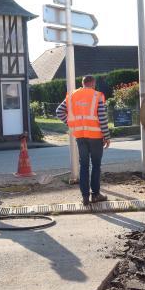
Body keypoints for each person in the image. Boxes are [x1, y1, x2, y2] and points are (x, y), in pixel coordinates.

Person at [56, 75, 111, 206]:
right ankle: (96, 195)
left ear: (82, 83)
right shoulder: (97, 96)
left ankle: (85, 197)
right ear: (93, 84)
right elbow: (102, 118)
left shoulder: (72, 95)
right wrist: (107, 137)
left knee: (84, 166)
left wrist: (71, 124)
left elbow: (59, 111)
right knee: (96, 166)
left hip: (80, 136)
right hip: (96, 137)